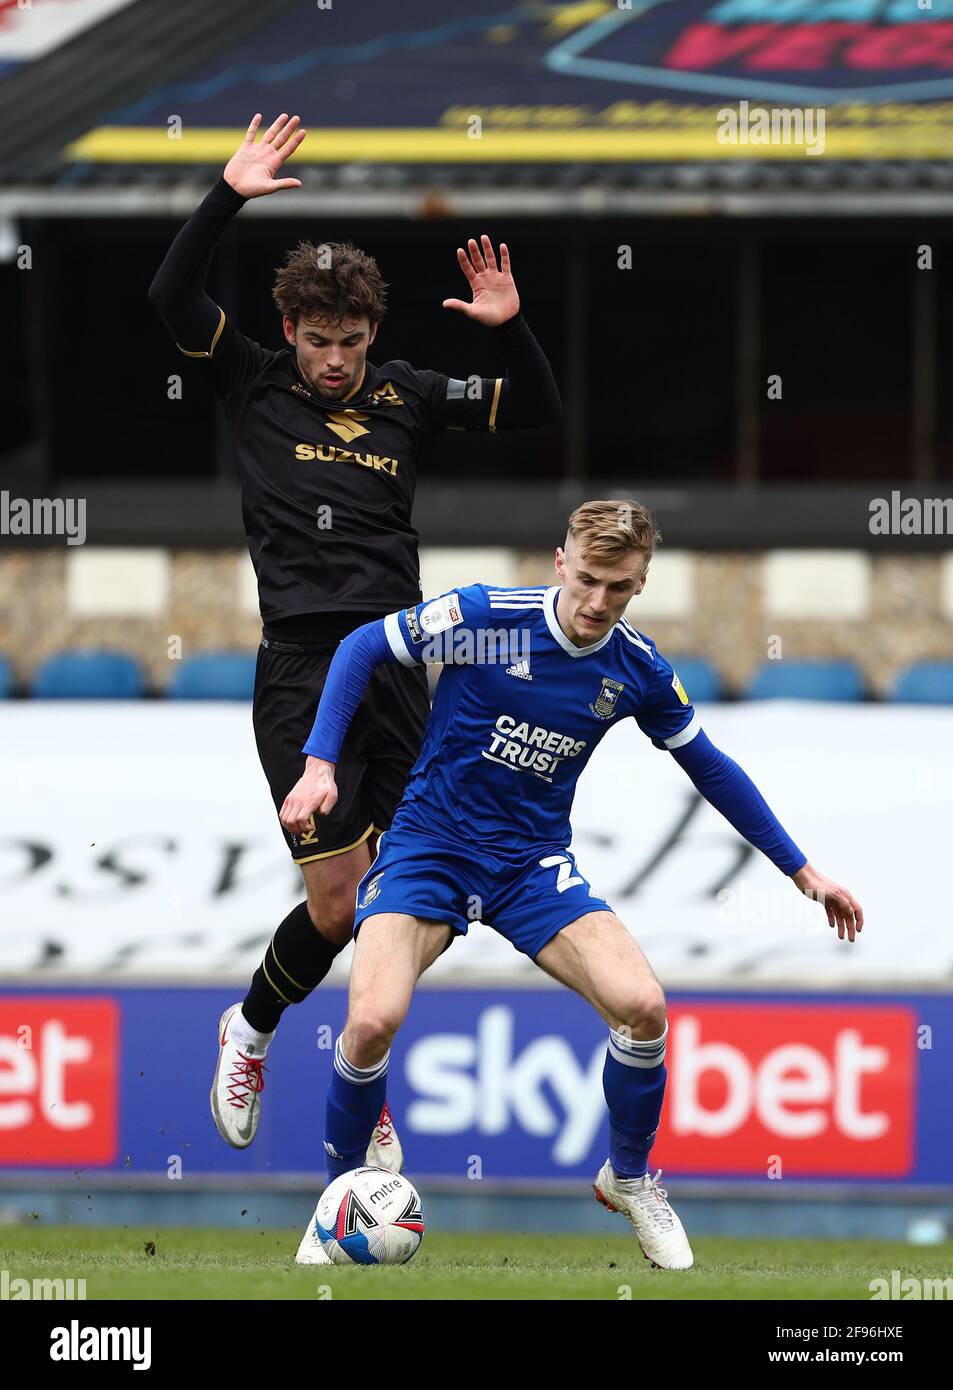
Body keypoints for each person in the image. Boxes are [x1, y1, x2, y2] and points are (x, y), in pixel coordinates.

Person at [280, 498, 863, 1268]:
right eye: (587, 579)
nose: (597, 603)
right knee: (370, 1022)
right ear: (561, 562)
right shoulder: (485, 616)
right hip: (429, 847)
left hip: (529, 864)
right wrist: (320, 763)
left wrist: (801, 871)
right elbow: (361, 646)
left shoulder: (636, 668)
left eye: (617, 588)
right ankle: (337, 1206)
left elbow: (710, 766)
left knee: (643, 1007)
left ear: (640, 583)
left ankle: (628, 1179)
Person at [148, 112, 561, 1162]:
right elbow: (169, 297)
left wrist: (508, 324)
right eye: (316, 340)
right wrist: (227, 192)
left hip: (398, 662)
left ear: (370, 335)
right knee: (334, 902)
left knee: (399, 895)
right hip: (298, 668)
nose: (333, 361)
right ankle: (249, 1026)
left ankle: (359, 1084)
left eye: (349, 341)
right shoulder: (250, 380)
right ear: (287, 329)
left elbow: (537, 410)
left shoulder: (407, 396)